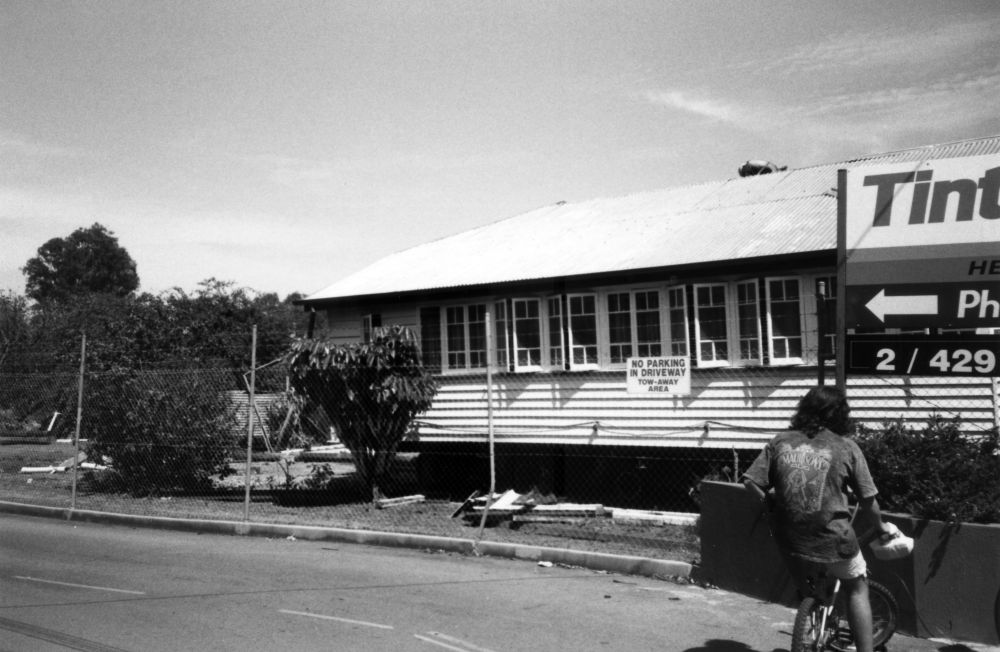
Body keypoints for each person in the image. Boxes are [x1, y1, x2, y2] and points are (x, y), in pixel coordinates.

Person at [741, 386, 893, 652]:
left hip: (789, 538)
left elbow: (750, 482)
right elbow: (868, 500)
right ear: (839, 415)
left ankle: (817, 608)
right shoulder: (846, 447)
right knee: (857, 588)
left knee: (812, 582)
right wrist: (880, 527)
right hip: (832, 537)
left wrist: (770, 503)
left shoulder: (780, 441)